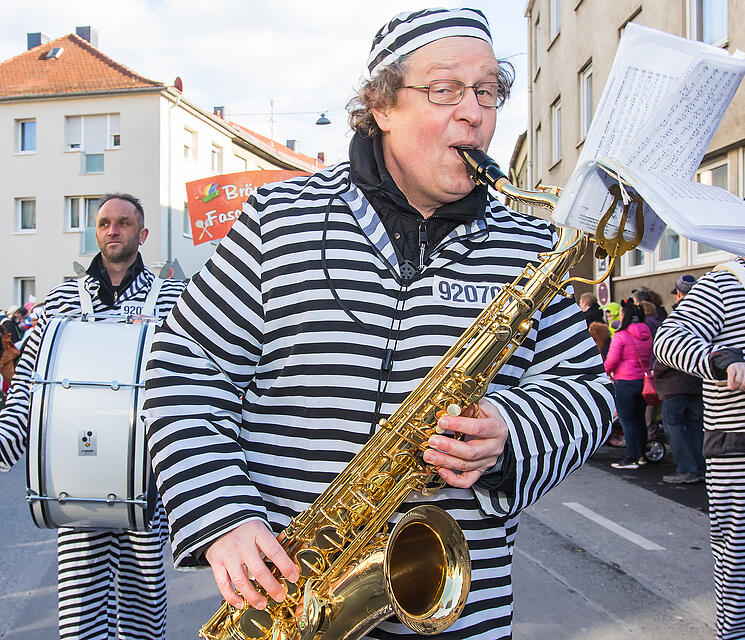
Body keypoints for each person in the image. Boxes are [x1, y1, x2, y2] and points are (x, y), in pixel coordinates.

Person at [142, 8, 614, 640]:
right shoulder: (280, 217)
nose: (474, 112)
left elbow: (588, 396)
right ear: (381, 106)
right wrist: (222, 515)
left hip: (458, 611)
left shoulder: (531, 244)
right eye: (444, 90)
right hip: (287, 598)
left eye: (488, 91)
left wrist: (512, 432)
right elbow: (183, 369)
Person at [0, 193, 185, 640]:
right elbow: (29, 383)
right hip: (75, 476)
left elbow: (193, 383)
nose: (112, 230)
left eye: (123, 223)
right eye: (104, 223)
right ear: (96, 232)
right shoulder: (61, 301)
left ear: (142, 235)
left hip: (146, 478)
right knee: (80, 613)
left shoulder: (174, 299)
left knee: (144, 607)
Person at [654, 253, 745, 640]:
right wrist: (723, 361)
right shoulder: (723, 281)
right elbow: (670, 339)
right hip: (743, 444)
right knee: (739, 563)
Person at [653, 275, 704, 484]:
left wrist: (657, 371)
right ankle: (699, 467)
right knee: (694, 425)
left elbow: (667, 352)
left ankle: (686, 469)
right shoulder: (705, 316)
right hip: (696, 383)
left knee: (674, 426)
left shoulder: (680, 318)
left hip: (675, 385)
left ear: (680, 295)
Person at [604, 298, 652, 469]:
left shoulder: (621, 335)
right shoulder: (646, 333)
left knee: (628, 421)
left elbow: (612, 360)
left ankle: (630, 457)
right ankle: (641, 455)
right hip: (643, 381)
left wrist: (604, 373)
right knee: (640, 420)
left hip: (625, 381)